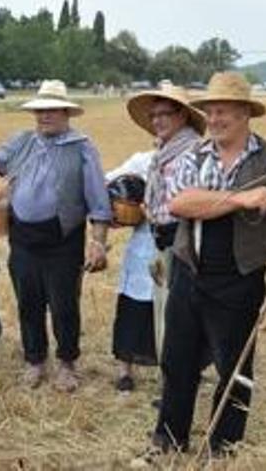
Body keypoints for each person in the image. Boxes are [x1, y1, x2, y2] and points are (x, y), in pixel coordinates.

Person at [136, 72, 266, 464]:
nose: (214, 119)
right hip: (190, 271)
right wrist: (244, 199)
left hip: (241, 278)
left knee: (235, 365)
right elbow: (181, 203)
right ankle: (168, 439)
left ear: (245, 114)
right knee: (177, 359)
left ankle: (224, 446)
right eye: (210, 111)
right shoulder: (194, 156)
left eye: (223, 112)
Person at [0, 80, 112, 392]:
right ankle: (34, 360)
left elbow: (98, 200)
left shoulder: (81, 147)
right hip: (23, 237)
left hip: (62, 240)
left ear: (66, 112)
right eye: (40, 110)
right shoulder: (21, 141)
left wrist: (97, 241)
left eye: (52, 110)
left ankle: (67, 363)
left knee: (64, 304)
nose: (45, 116)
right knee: (28, 301)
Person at [124, 86, 206, 360]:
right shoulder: (163, 151)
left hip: (182, 239)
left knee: (179, 314)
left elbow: (187, 201)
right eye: (153, 115)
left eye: (164, 114)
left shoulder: (193, 150)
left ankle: (183, 372)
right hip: (164, 238)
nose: (157, 120)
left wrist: (156, 212)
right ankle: (173, 374)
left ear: (182, 116)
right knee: (167, 310)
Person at [105, 151, 157, 393]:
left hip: (179, 247)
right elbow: (108, 181)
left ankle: (179, 370)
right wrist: (113, 208)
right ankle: (124, 371)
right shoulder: (142, 160)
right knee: (132, 309)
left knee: (176, 314)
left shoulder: (195, 161)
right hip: (144, 246)